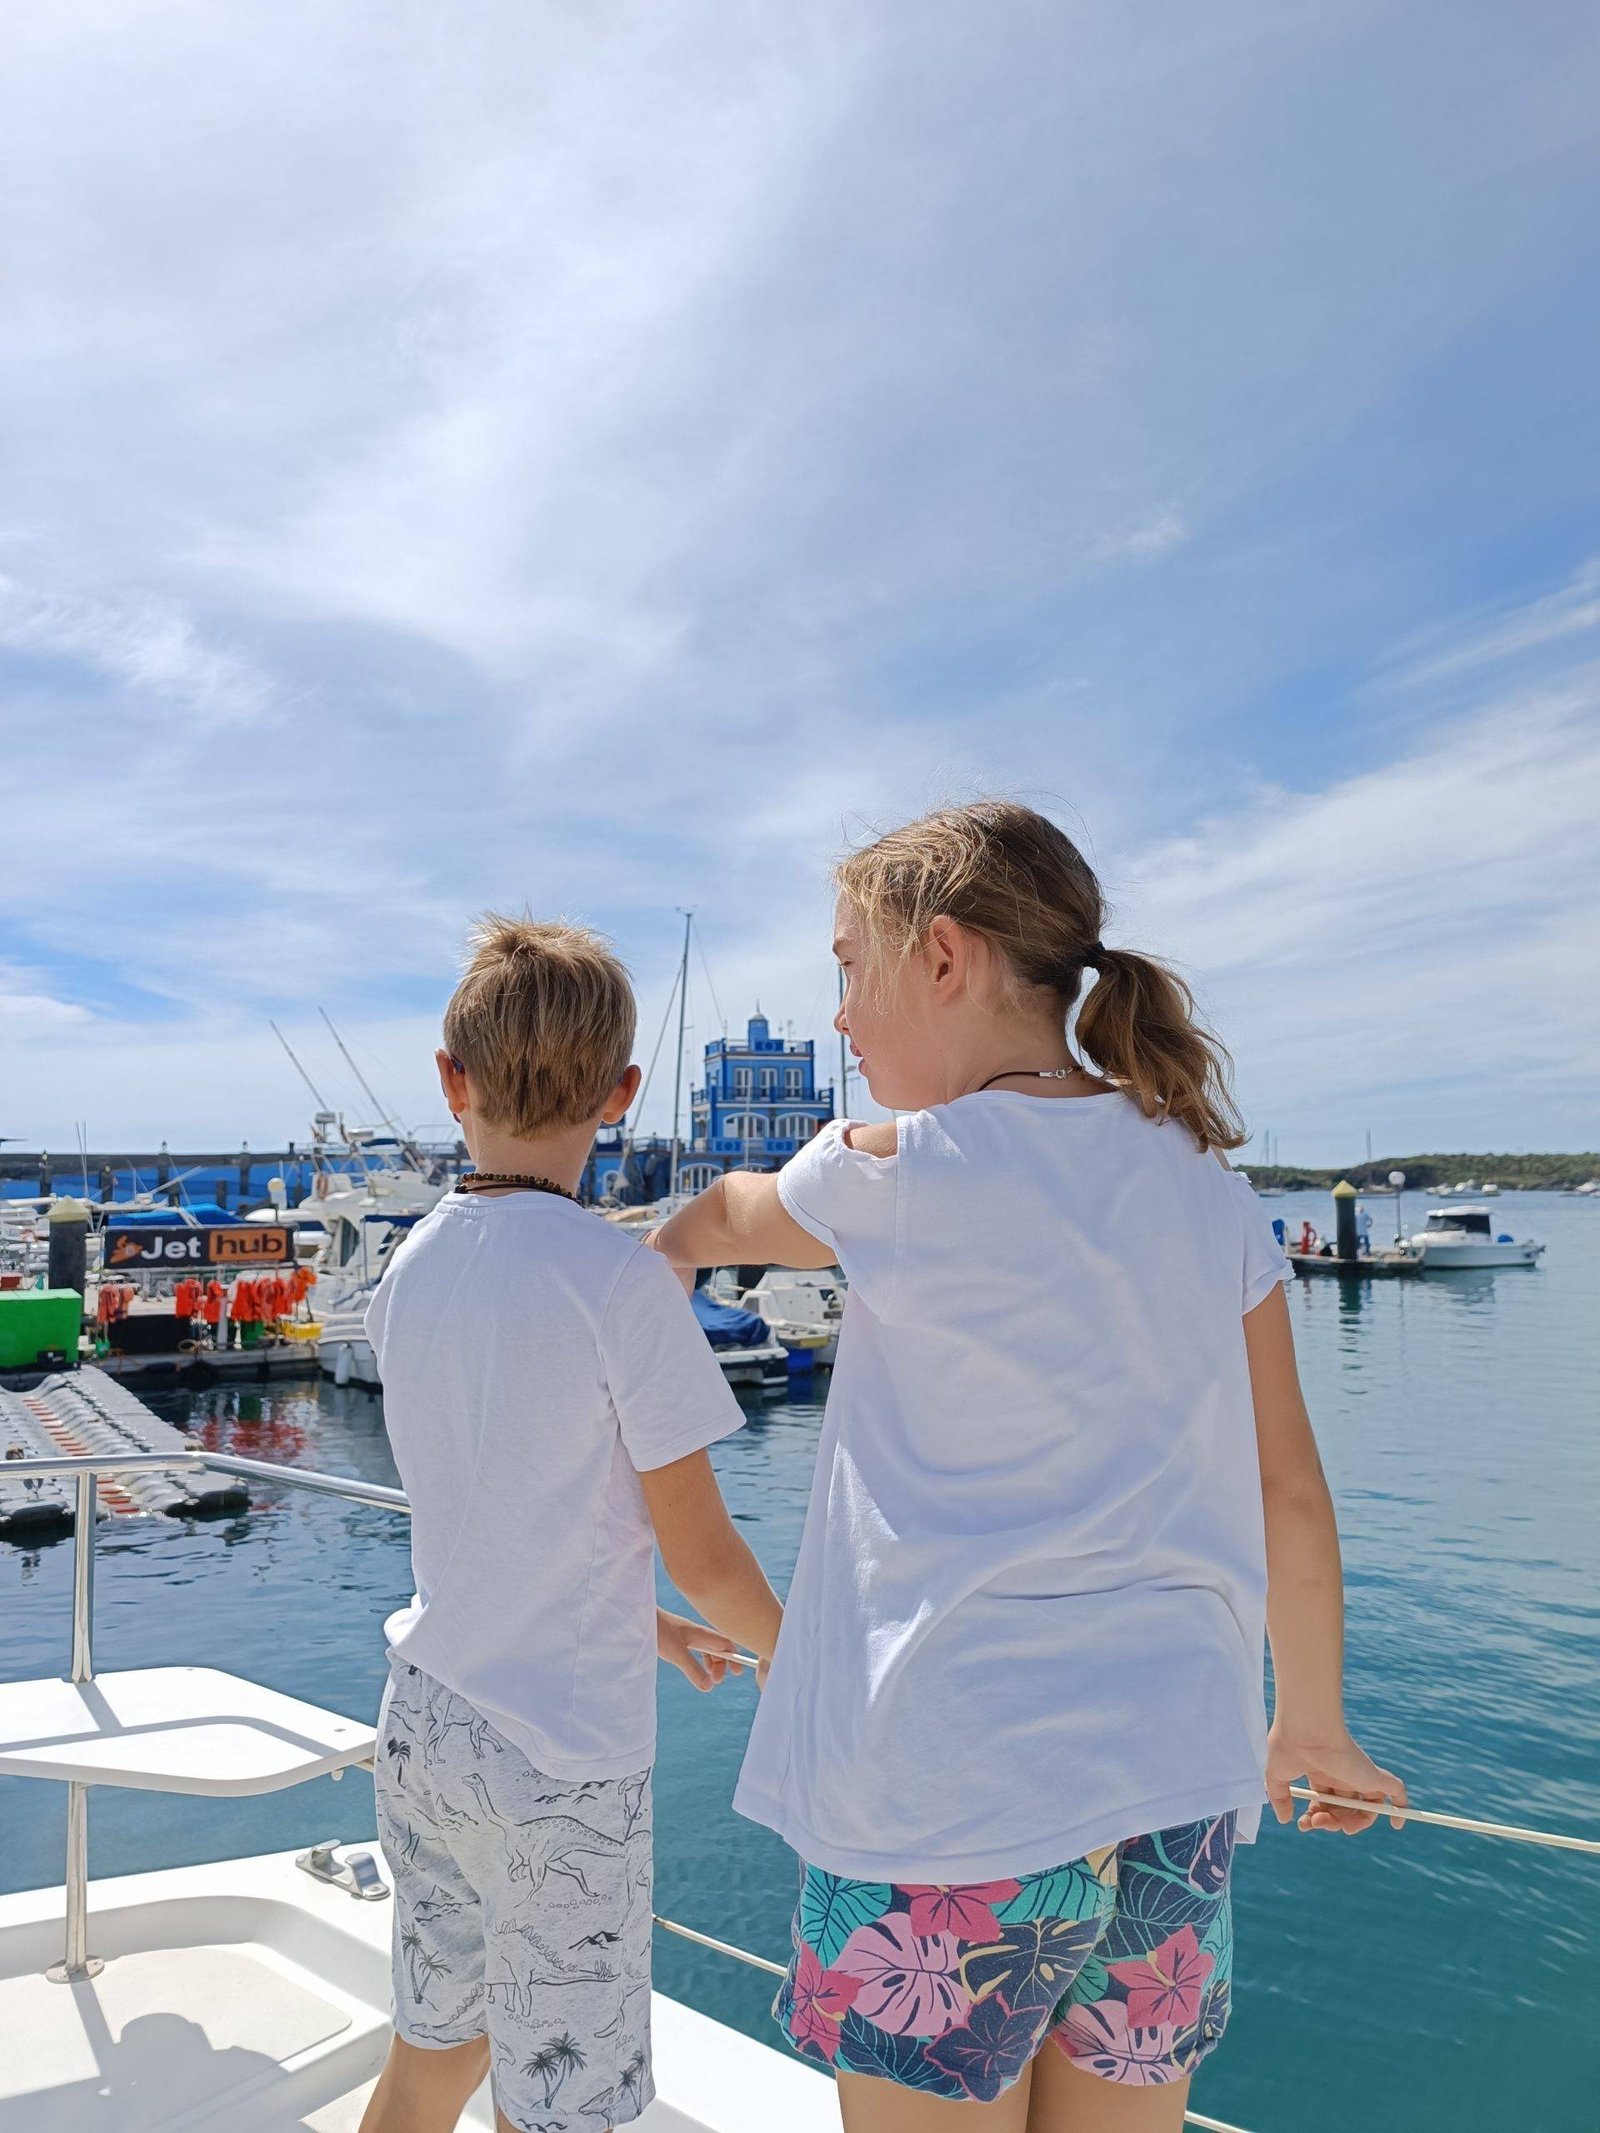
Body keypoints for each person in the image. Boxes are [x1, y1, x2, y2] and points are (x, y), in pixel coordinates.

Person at [652, 801, 1404, 2133]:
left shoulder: (891, 1170)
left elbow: (714, 1220)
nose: (838, 1018)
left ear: (943, 958)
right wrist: (1315, 1718)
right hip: (1177, 1778)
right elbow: (1289, 1484)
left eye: (846, 968)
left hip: (951, 1790)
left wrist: (640, 1278)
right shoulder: (1207, 1185)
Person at [358, 915, 784, 2133]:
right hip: (559, 1759)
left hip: (428, 1715)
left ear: (451, 1081)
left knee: (437, 2041)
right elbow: (707, 1551)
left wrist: (639, 1620)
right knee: (562, 2105)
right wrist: (807, 1664)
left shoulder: (409, 1268)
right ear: (623, 1092)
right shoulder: (620, 1283)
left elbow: (495, 1508)